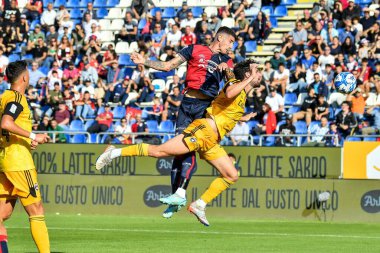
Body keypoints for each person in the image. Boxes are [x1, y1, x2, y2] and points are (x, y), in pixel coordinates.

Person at [96, 60, 262, 226]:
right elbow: (230, 92)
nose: (259, 73)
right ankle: (113, 153)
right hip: (202, 132)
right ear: (247, 74)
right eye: (256, 70)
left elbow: (225, 108)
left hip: (211, 141)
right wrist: (243, 77)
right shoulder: (234, 84)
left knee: (231, 175)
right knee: (158, 151)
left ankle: (199, 205)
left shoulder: (242, 94)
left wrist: (241, 117)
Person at [131, 26, 236, 219]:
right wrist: (143, 61)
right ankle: (175, 196)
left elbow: (232, 82)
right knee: (177, 153)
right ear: (220, 37)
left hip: (204, 108)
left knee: (188, 149)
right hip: (186, 104)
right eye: (230, 41)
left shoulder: (226, 60)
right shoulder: (194, 49)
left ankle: (181, 193)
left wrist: (228, 70)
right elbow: (168, 66)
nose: (231, 46)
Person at [0, 60, 50, 252]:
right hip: (19, 162)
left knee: (2, 214)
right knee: (36, 210)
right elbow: (6, 123)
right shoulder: (17, 98)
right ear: (24, 77)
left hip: (5, 159)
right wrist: (32, 135)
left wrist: (28, 140)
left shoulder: (3, 97)